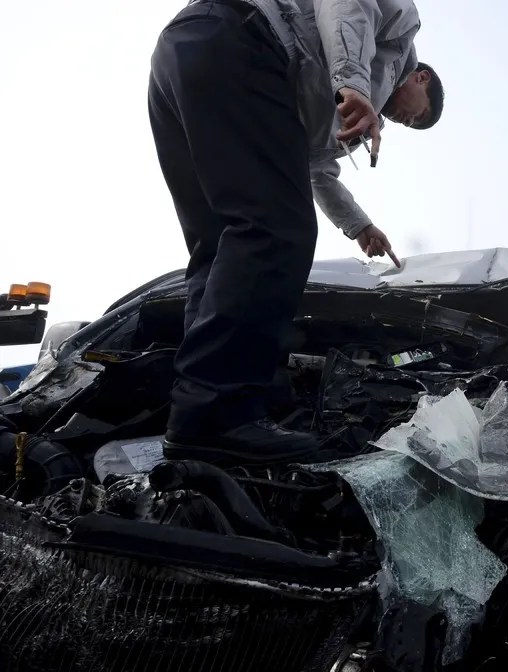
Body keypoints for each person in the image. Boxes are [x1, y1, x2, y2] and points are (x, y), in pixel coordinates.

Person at [148, 0, 444, 465]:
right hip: (242, 40)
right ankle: (216, 415)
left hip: (186, 54)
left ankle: (199, 411)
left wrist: (361, 226)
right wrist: (352, 80)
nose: (402, 122)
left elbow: (317, 170)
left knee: (219, 249)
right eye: (412, 116)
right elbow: (346, 4)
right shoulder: (402, 28)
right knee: (276, 232)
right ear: (421, 78)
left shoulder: (353, 105)